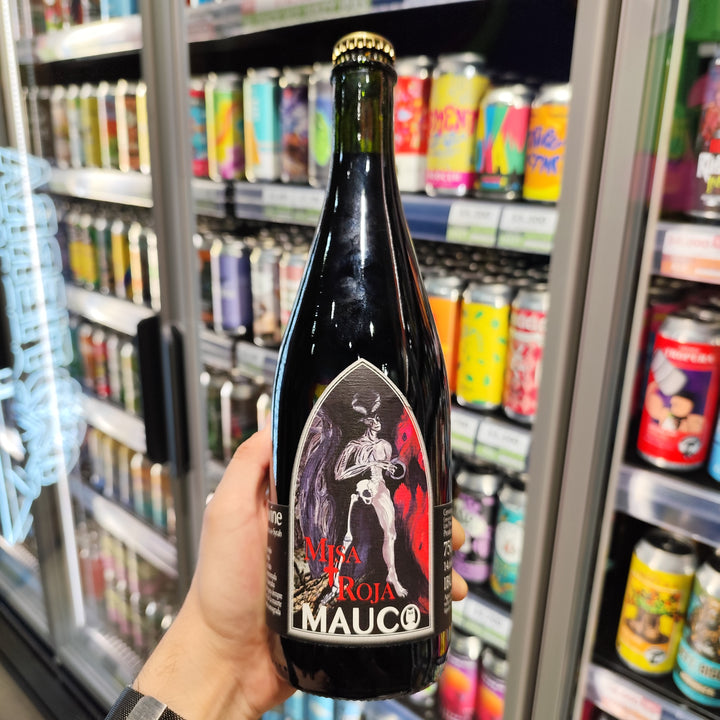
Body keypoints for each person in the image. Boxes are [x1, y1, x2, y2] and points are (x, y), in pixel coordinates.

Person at [107, 426, 468, 720]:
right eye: (369, 416)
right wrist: (216, 646)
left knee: (394, 535)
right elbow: (340, 473)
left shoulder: (386, 445)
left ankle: (391, 577)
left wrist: (385, 467)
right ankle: (336, 582)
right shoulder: (354, 446)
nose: (374, 421)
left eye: (377, 417)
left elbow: (396, 468)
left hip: (381, 490)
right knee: (348, 538)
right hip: (358, 492)